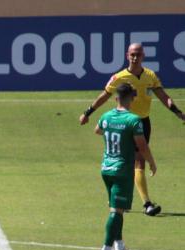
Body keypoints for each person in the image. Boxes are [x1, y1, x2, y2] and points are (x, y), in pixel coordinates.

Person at [79, 43, 184, 216]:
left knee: (131, 161)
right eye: (132, 54)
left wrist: (178, 112)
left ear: (143, 56)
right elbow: (104, 95)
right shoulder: (119, 77)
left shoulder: (150, 76)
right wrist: (87, 112)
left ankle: (118, 198)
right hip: (125, 122)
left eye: (138, 54)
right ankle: (147, 204)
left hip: (143, 122)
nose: (135, 57)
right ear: (127, 55)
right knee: (135, 161)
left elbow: (163, 96)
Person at [93, 83, 157, 250]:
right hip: (122, 170)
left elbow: (97, 130)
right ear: (133, 98)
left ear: (115, 99)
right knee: (117, 211)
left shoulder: (106, 116)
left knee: (115, 207)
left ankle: (118, 244)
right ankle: (106, 249)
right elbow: (142, 146)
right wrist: (151, 162)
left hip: (106, 168)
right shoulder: (133, 120)